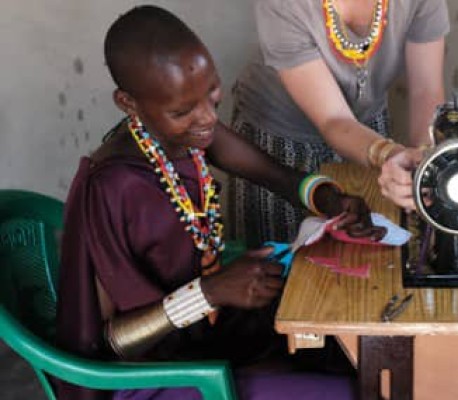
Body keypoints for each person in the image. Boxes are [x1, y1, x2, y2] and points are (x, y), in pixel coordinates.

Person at [55, 5, 386, 400]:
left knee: (355, 349)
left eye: (212, 92)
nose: (208, 117)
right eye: (183, 110)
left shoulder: (183, 137)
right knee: (359, 389)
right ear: (128, 103)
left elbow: (277, 176)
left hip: (205, 338)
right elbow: (113, 343)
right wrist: (209, 292)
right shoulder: (112, 187)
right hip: (153, 377)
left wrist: (330, 199)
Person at [229, 0, 450, 246]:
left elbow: (426, 89)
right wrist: (390, 154)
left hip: (369, 131)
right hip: (279, 141)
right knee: (283, 260)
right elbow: (334, 119)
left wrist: (424, 163)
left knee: (369, 253)